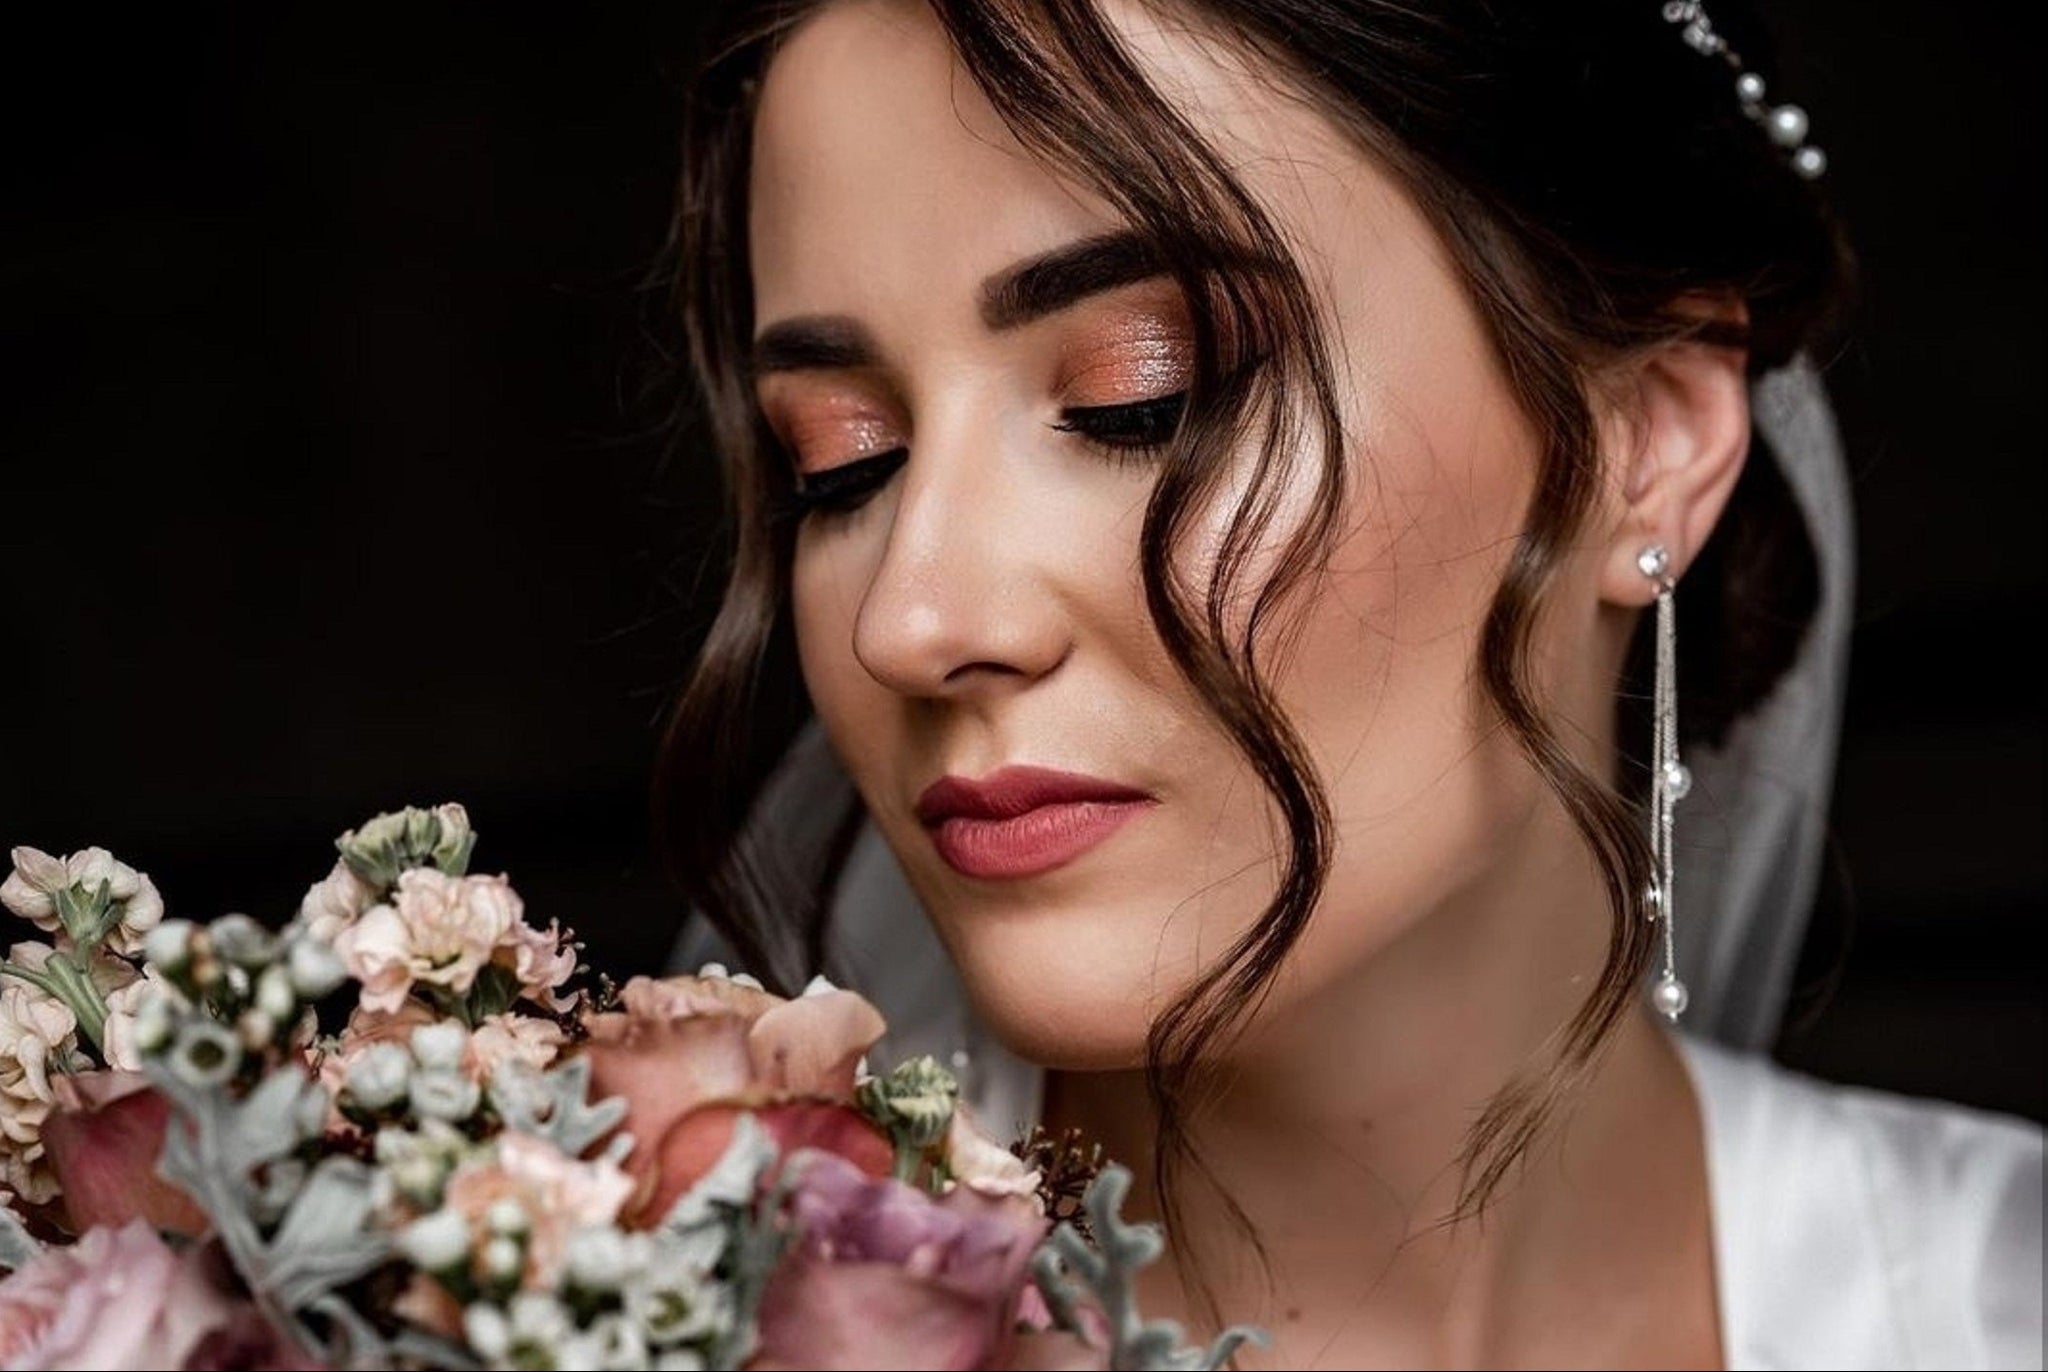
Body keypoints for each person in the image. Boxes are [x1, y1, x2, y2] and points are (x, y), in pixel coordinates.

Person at [657, 0, 2045, 1366]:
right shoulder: (645, 1287)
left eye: (1145, 396)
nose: (908, 622)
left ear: (1647, 438)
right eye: (841, 461)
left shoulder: (2000, 1303)